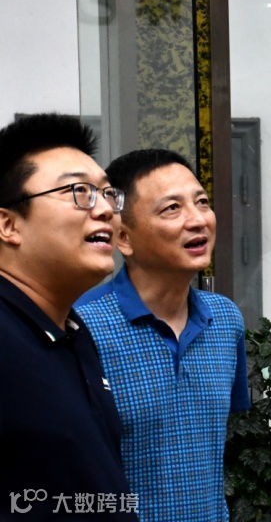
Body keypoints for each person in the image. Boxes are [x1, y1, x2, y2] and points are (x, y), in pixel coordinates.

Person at [74, 149, 250, 522]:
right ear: (123, 237)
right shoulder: (80, 327)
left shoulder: (225, 319)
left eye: (202, 202)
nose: (198, 220)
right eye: (172, 208)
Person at [0, 113, 137, 520]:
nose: (106, 210)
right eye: (80, 192)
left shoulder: (73, 331)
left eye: (108, 194)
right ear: (8, 224)